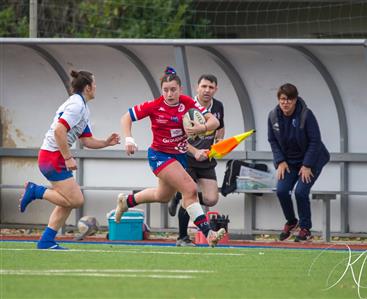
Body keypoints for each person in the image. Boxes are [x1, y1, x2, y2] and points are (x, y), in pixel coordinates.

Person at [114, 67, 226, 247]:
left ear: (180, 89)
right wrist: (129, 139)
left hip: (179, 156)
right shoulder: (155, 105)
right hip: (160, 155)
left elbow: (214, 122)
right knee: (189, 189)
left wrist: (201, 128)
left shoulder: (187, 102)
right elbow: (126, 117)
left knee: (163, 196)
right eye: (165, 90)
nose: (169, 94)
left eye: (173, 89)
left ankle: (126, 201)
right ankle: (209, 234)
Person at [19, 70, 120, 250]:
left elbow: (86, 140)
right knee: (76, 200)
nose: (96, 87)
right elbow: (59, 131)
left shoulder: (83, 107)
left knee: (67, 200)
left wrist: (106, 142)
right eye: (94, 84)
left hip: (52, 156)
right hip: (53, 156)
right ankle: (36, 191)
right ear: (87, 87)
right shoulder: (76, 106)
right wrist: (67, 157)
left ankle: (47, 241)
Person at [167, 74, 225, 246]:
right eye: (204, 86)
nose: (207, 90)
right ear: (197, 87)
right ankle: (182, 237)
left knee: (211, 199)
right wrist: (195, 151)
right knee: (190, 195)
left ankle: (179, 195)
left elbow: (220, 128)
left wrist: (219, 143)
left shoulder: (218, 106)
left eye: (211, 87)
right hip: (187, 158)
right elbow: (177, 138)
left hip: (206, 159)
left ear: (216, 89)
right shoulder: (186, 107)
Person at [267, 83, 330, 242]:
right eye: (282, 99)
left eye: (289, 99)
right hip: (289, 162)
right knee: (281, 190)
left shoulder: (306, 115)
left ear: (295, 100)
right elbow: (272, 140)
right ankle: (292, 221)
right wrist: (280, 161)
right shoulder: (273, 116)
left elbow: (315, 141)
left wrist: (307, 165)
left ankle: (305, 228)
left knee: (301, 192)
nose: (285, 103)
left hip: (312, 160)